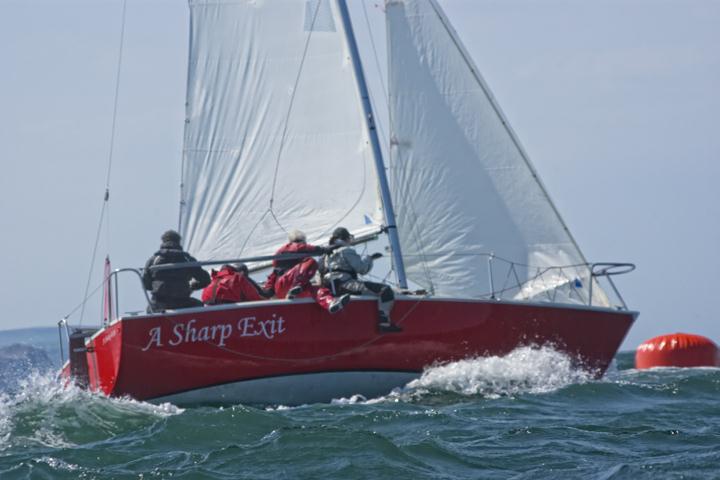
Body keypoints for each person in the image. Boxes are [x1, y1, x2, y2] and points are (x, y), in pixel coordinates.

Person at [321, 227, 401, 332]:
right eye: (349, 238)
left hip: (330, 288)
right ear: (345, 238)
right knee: (385, 290)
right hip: (345, 285)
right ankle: (385, 324)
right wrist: (369, 259)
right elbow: (362, 269)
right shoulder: (346, 250)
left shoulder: (325, 255)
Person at [265, 229, 350, 314]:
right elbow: (301, 247)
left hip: (288, 289)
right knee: (311, 262)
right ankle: (296, 286)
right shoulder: (290, 247)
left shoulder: (287, 260)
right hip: (288, 282)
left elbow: (270, 280)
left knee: (317, 290)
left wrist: (269, 293)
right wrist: (323, 249)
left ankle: (330, 303)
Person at [142, 230, 211, 312]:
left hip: (159, 304)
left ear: (163, 242)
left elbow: (146, 284)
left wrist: (156, 287)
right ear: (178, 242)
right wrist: (193, 287)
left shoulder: (153, 260)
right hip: (183, 302)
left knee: (149, 309)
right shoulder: (187, 259)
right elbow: (205, 279)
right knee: (200, 306)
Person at [202, 263, 269, 305]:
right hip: (229, 311)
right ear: (242, 272)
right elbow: (256, 299)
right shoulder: (238, 278)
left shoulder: (213, 279)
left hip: (208, 310)